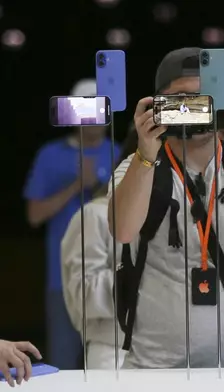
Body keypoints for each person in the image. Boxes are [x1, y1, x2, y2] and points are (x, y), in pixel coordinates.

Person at [108, 47, 224, 368]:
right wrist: (146, 152)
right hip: (154, 369)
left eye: (205, 98)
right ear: (156, 106)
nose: (196, 108)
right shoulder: (137, 167)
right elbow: (122, 229)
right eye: (181, 98)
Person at [23, 79, 121, 369]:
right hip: (63, 279)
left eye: (101, 110)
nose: (95, 119)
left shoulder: (119, 152)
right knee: (63, 364)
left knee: (112, 364)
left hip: (111, 278)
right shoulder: (49, 155)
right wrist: (77, 186)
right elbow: (34, 215)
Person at [60, 124, 138, 369]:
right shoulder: (94, 215)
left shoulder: (179, 217)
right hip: (113, 354)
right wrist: (150, 277)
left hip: (172, 352)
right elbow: (83, 296)